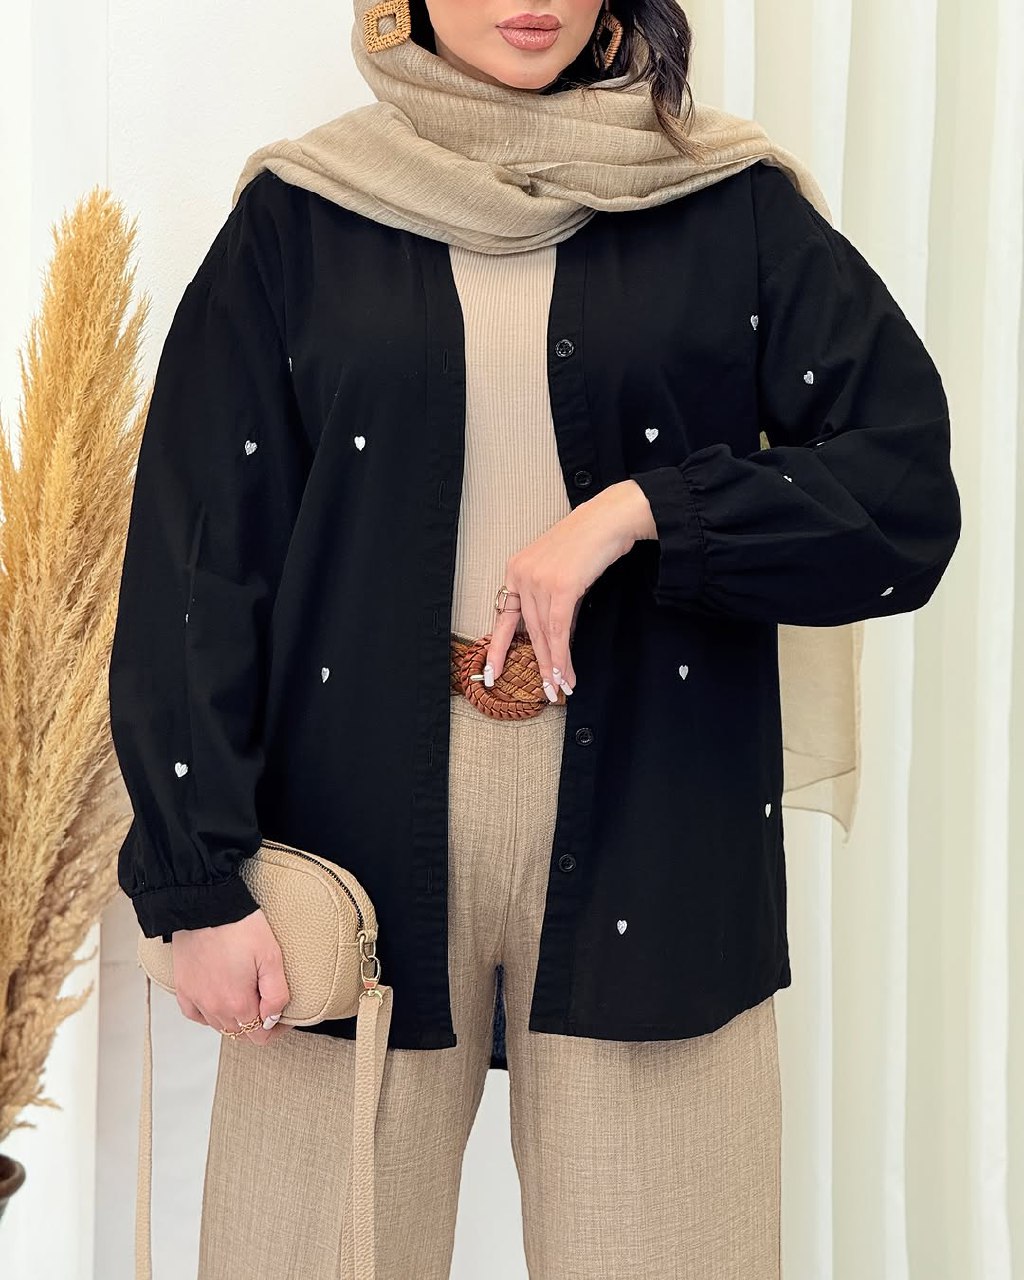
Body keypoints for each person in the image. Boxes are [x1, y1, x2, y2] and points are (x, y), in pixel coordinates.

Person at [108, 0, 962, 1275]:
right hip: (345, 843)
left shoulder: (724, 203)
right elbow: (196, 556)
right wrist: (197, 882)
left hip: (656, 824)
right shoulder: (302, 215)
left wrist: (637, 510)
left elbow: (901, 489)